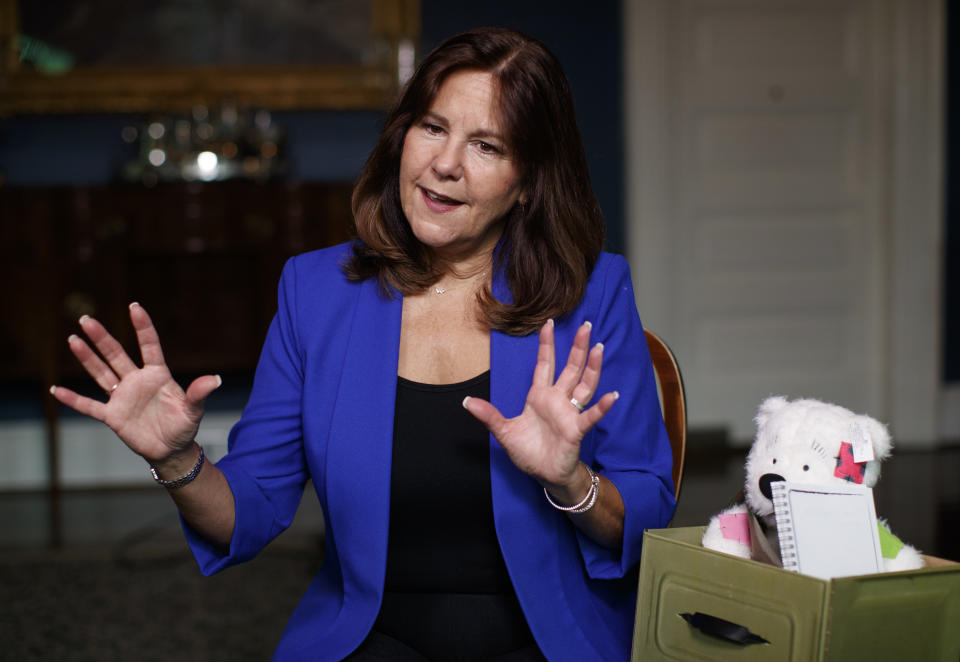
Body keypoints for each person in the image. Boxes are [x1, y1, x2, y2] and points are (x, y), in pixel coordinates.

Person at [49, 27, 676, 661]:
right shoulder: (316, 292)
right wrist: (176, 458)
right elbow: (250, 509)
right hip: (373, 637)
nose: (446, 163)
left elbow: (646, 514)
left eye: (486, 145)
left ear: (527, 182)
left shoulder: (591, 292)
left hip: (548, 639)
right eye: (432, 127)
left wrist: (572, 482)